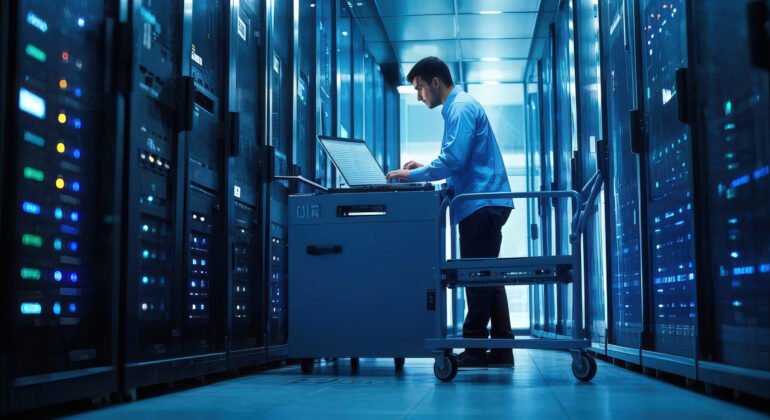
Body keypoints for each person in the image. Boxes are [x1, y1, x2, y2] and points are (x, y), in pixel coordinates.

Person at [386, 56, 515, 368]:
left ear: (434, 82)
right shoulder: (460, 107)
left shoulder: (459, 108)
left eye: (418, 89)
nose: (418, 96)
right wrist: (424, 167)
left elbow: (454, 160)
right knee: (488, 276)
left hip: (481, 204)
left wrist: (412, 175)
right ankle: (501, 349)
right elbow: (457, 158)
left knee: (477, 276)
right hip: (484, 202)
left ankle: (474, 347)